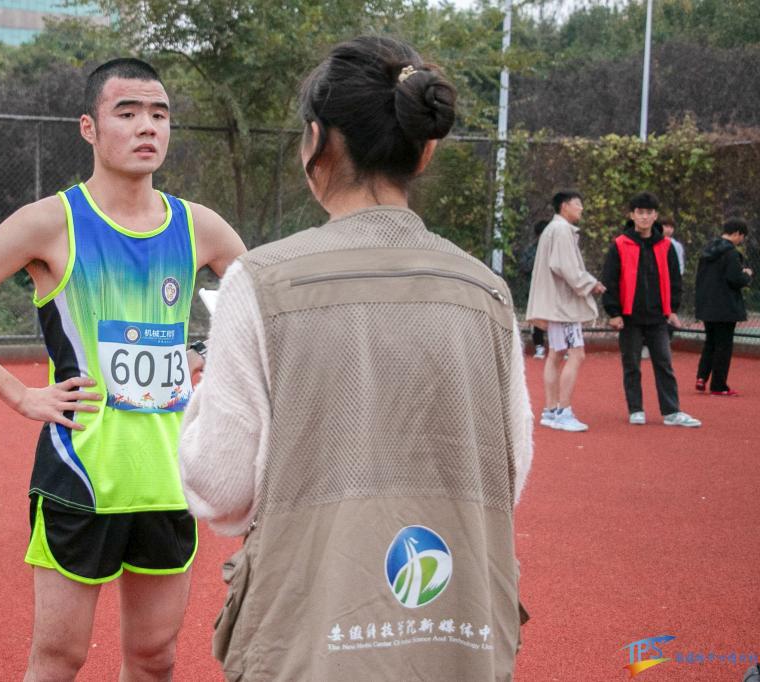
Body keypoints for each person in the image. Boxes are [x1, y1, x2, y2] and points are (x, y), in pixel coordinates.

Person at [179, 36, 533, 681]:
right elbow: (510, 474)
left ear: (316, 140)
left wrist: (198, 400)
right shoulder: (485, 291)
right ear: (424, 149)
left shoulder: (261, 282)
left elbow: (221, 489)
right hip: (456, 633)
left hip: (309, 635)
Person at [0, 57, 246, 681]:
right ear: (89, 128)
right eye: (128, 112)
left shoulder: (199, 227)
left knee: (155, 658)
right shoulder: (50, 223)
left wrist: (203, 353)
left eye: (159, 114)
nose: (147, 126)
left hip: (168, 478)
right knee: (59, 659)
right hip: (81, 475)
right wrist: (22, 396)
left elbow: (258, 310)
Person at [600, 192, 701, 427]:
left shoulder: (666, 246)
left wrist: (672, 309)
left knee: (664, 363)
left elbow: (675, 280)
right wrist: (613, 312)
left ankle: (671, 411)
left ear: (655, 216)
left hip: (658, 317)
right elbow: (610, 280)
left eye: (649, 213)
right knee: (632, 365)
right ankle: (636, 409)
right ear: (632, 215)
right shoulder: (619, 244)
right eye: (640, 212)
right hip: (629, 317)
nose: (644, 217)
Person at [525, 190, 605, 432]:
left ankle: (551, 410)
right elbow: (564, 266)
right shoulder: (561, 230)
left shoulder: (553, 229)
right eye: (577, 204)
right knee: (576, 354)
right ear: (564, 206)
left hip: (556, 304)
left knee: (556, 354)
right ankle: (563, 411)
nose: (581, 208)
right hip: (563, 306)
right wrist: (590, 283)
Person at [694, 218, 753, 396]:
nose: (741, 240)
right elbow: (734, 279)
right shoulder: (731, 253)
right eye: (742, 236)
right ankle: (718, 385)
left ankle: (701, 377)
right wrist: (746, 275)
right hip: (726, 307)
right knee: (723, 346)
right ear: (737, 234)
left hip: (707, 305)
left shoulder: (707, 251)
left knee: (710, 343)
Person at [519, 219, 550, 358]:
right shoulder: (531, 250)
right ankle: (539, 346)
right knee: (537, 318)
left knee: (556, 319)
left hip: (553, 291)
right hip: (535, 290)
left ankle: (559, 347)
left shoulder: (556, 250)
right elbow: (524, 267)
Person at [660, 216, 685, 343]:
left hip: (671, 283)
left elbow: (679, 266)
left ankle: (666, 340)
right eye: (666, 226)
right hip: (658, 283)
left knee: (669, 311)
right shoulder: (654, 242)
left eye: (671, 227)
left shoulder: (677, 246)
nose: (669, 229)